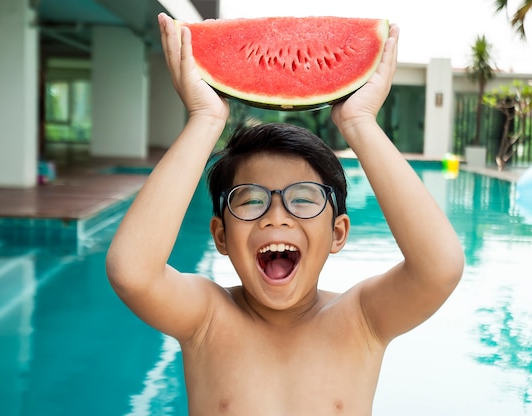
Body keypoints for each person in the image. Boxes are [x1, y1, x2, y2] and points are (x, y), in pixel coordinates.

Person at [106, 12, 464, 415]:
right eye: (251, 199)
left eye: (305, 198)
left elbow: (441, 267)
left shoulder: (361, 320)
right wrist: (205, 120)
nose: (276, 216)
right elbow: (131, 272)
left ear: (338, 233)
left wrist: (359, 122)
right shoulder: (206, 319)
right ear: (221, 236)